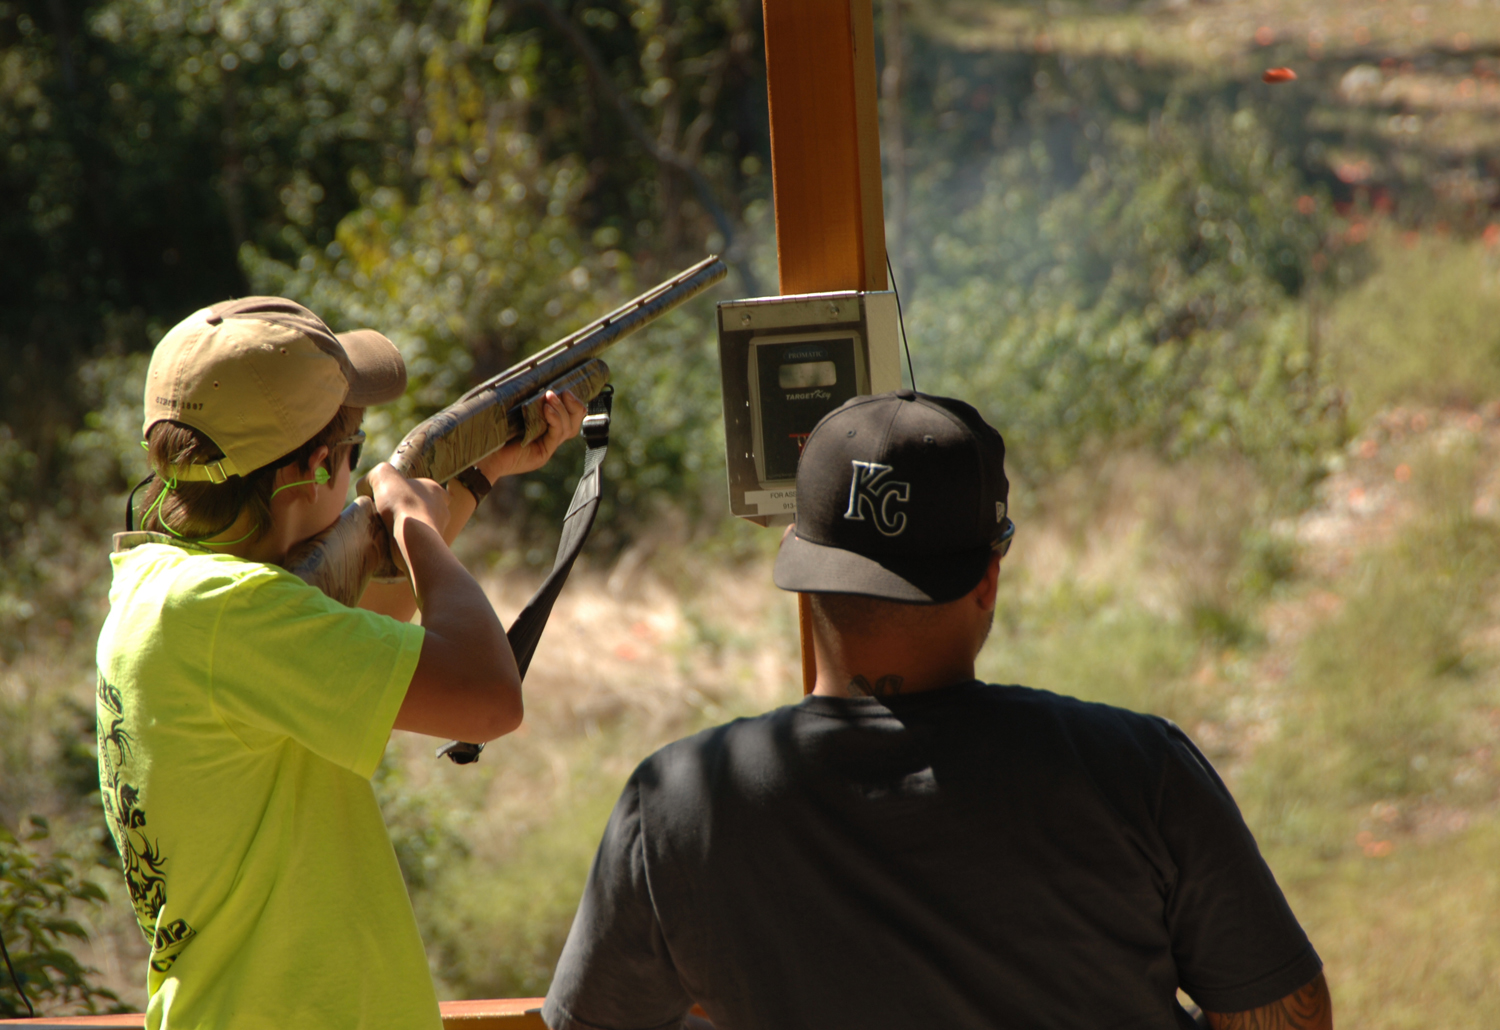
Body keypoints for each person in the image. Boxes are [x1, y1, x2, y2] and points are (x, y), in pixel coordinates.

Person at [542, 390, 1331, 1030]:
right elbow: (1285, 1014)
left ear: (801, 573)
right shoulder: (1137, 768)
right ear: (986, 580)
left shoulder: (679, 803)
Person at [95, 296, 584, 1029]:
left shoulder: (159, 591)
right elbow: (488, 699)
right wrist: (416, 523)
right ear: (321, 464)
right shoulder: (234, 612)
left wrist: (475, 478)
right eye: (355, 451)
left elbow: (370, 630)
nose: (358, 468)